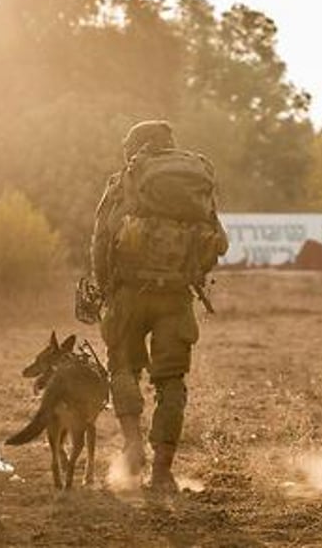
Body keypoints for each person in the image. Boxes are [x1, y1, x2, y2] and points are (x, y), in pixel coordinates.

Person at [90, 120, 228, 493]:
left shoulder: (125, 181)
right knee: (172, 383)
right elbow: (217, 242)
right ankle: (163, 472)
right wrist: (190, 272)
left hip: (129, 294)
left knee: (122, 366)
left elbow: (101, 242)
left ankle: (133, 445)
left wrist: (105, 289)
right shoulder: (196, 181)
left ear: (136, 146)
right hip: (177, 298)